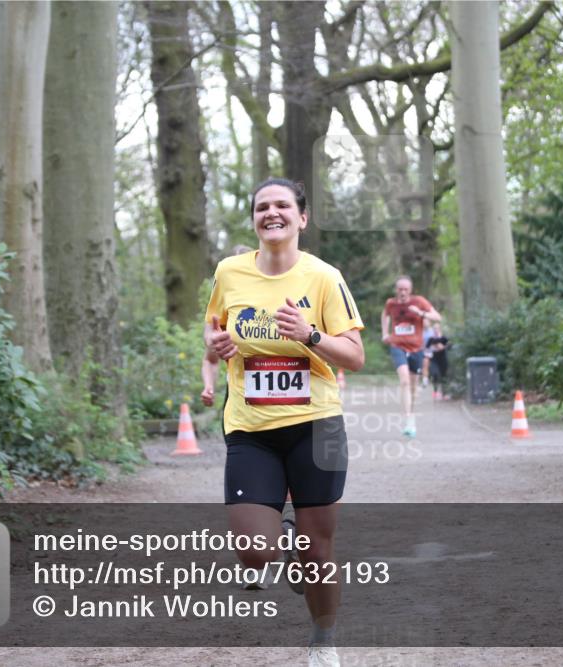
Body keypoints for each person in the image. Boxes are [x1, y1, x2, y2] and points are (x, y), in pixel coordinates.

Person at [204, 178, 364, 667]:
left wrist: (310, 334)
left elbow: (355, 356)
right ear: (254, 218)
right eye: (261, 207)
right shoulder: (229, 272)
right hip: (251, 427)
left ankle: (323, 639)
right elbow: (212, 329)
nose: (271, 213)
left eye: (281, 206)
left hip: (317, 425)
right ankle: (282, 544)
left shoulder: (323, 277)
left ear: (301, 218)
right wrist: (215, 346)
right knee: (254, 552)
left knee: (320, 548)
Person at [381, 276, 441, 437]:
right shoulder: (391, 304)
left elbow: (437, 317)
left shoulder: (419, 301)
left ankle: (411, 418)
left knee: (413, 387)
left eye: (405, 289)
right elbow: (385, 315)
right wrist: (385, 333)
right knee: (405, 381)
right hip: (397, 346)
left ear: (410, 290)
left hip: (416, 349)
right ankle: (407, 418)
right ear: (396, 290)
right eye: (400, 289)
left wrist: (421, 313)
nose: (402, 292)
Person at [201, 245, 254, 408]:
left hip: (288, 403)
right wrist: (209, 387)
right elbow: (211, 360)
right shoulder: (223, 313)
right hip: (238, 400)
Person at [424, 322, 451, 400]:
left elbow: (450, 346)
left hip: (443, 358)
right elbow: (426, 348)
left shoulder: (443, 338)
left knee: (444, 375)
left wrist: (443, 347)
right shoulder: (431, 339)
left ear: (440, 329)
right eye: (434, 328)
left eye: (437, 328)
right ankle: (435, 392)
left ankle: (444, 393)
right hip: (434, 359)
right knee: (435, 374)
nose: (436, 330)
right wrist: (433, 346)